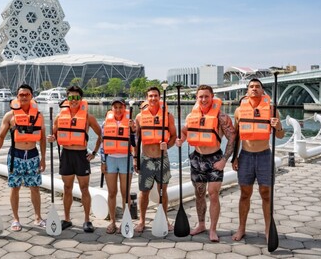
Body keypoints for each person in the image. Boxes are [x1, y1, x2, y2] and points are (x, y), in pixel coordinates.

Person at [175, 85, 237, 242]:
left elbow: (232, 137)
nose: (203, 99)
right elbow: (184, 131)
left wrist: (224, 160)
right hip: (197, 159)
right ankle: (201, 224)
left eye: (206, 96)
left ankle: (213, 229)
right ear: (197, 98)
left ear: (212, 97)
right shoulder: (191, 116)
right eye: (200, 96)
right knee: (199, 194)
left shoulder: (221, 117)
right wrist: (181, 139)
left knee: (213, 194)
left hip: (215, 159)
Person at [231, 78, 285, 242]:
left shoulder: (271, 109)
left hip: (264, 155)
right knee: (245, 194)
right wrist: (235, 157)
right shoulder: (239, 111)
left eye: (257, 87)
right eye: (251, 87)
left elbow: (281, 135)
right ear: (247, 91)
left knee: (266, 194)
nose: (254, 89)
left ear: (262, 91)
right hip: (245, 156)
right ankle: (241, 228)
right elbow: (236, 137)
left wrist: (277, 126)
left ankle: (268, 229)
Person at [0, 84, 46, 232]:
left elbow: (43, 139)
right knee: (15, 188)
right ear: (17, 97)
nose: (24, 97)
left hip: (33, 155)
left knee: (35, 188)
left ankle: (38, 217)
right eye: (21, 95)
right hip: (16, 156)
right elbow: (1, 136)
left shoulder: (39, 116)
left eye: (27, 94)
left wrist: (44, 158)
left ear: (32, 96)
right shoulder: (10, 116)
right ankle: (16, 219)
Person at [47, 85, 102, 232]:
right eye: (71, 97)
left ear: (81, 99)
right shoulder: (60, 117)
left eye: (77, 97)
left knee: (84, 188)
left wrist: (95, 152)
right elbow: (53, 135)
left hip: (81, 155)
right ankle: (67, 219)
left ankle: (87, 220)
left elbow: (101, 135)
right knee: (67, 188)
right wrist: (51, 138)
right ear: (67, 99)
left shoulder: (88, 117)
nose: (74, 100)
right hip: (66, 154)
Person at [133, 86, 177, 233]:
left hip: (162, 158)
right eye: (150, 96)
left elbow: (173, 136)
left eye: (155, 96)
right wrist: (135, 159)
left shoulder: (168, 116)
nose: (153, 98)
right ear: (147, 98)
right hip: (146, 159)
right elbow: (136, 140)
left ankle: (164, 219)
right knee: (143, 191)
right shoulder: (139, 117)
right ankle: (142, 221)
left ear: (159, 97)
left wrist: (168, 145)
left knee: (162, 191)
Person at [99, 98, 136, 234]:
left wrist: (133, 130)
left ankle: (126, 220)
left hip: (125, 159)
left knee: (125, 192)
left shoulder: (131, 122)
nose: (118, 110)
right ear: (112, 108)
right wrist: (103, 162)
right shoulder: (105, 123)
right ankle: (112, 221)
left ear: (124, 107)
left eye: (120, 107)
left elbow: (135, 143)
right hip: (110, 160)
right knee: (112, 192)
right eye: (115, 107)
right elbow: (103, 144)